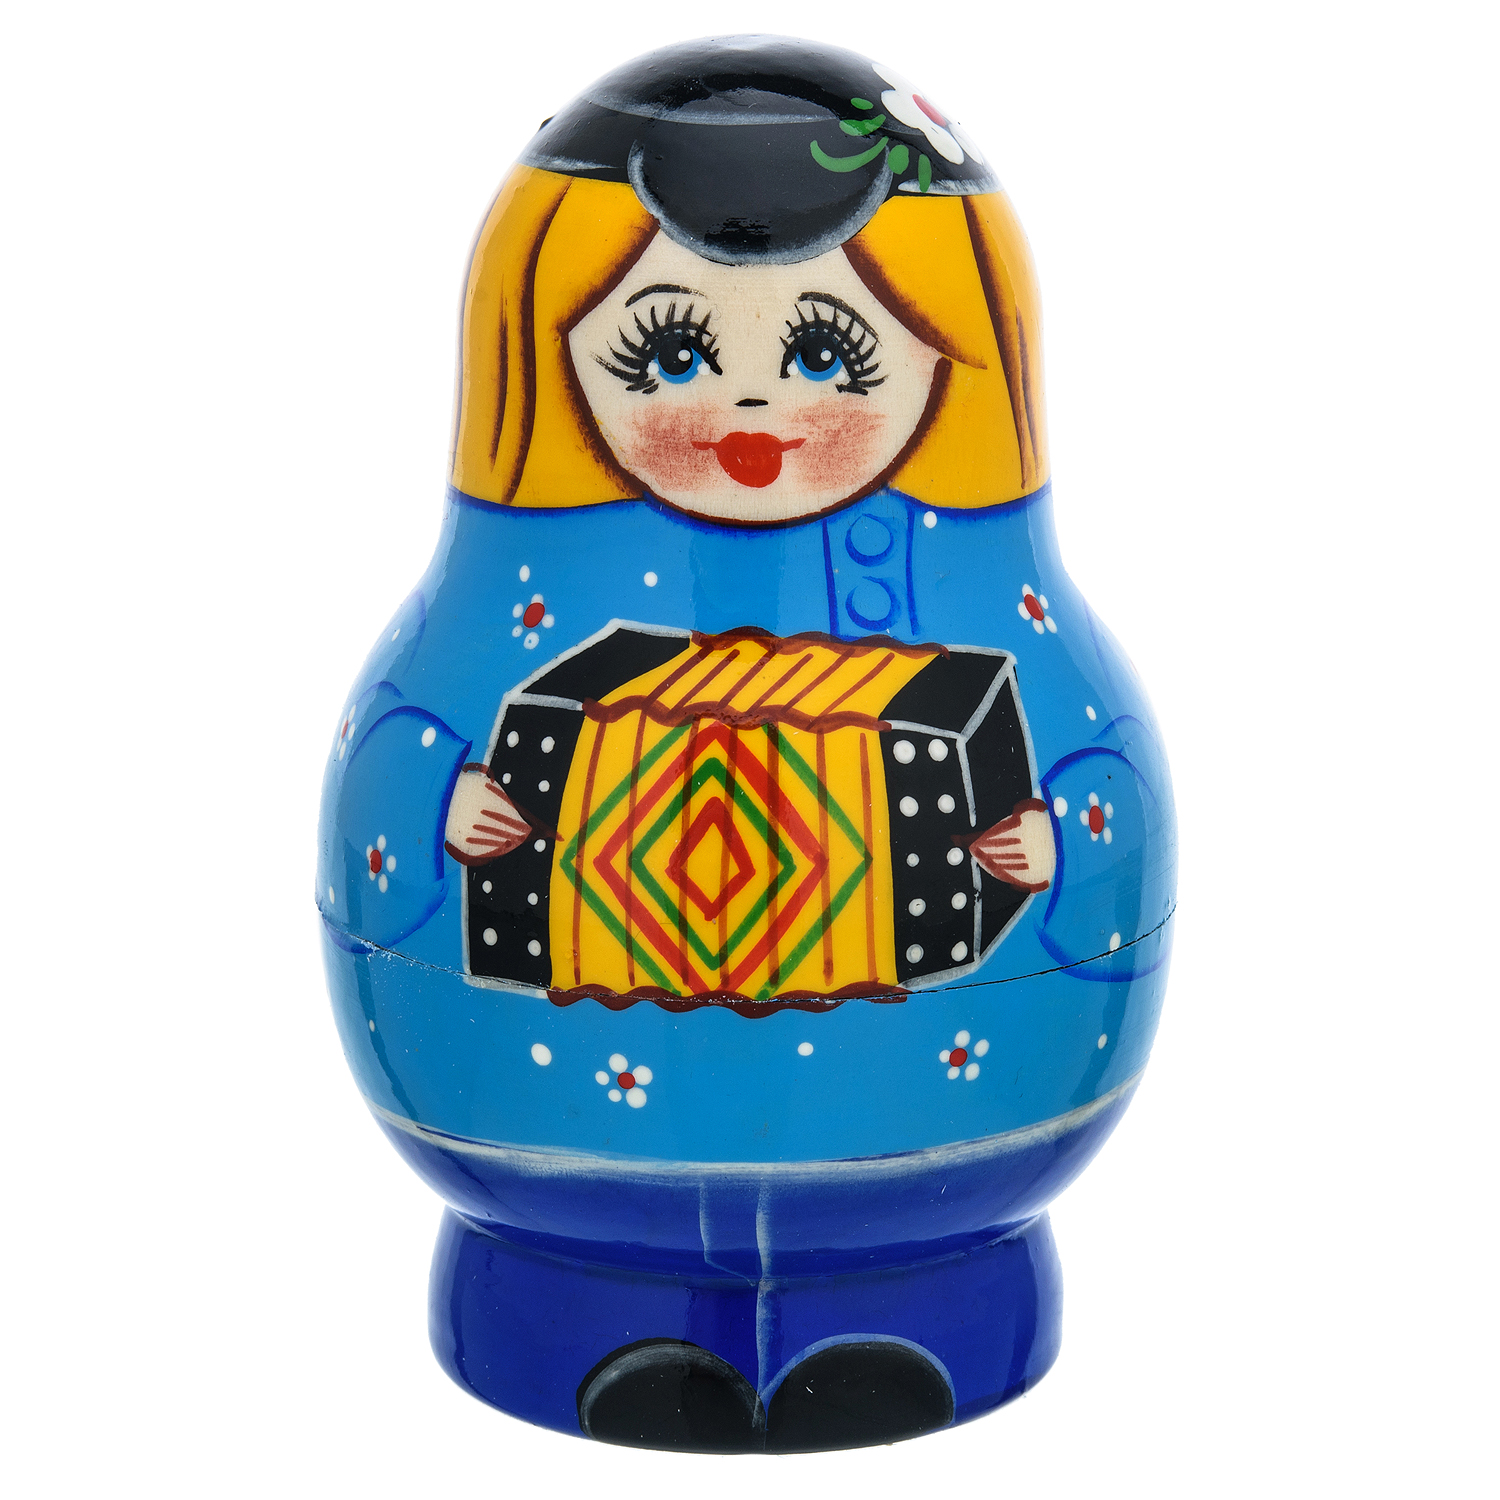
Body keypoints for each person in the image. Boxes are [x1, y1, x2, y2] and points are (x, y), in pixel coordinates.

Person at [317, 36, 1176, 1451]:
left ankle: (897, 1325)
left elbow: (1095, 802)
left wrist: (1047, 851)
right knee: (574, 1272)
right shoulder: (507, 628)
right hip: (550, 1207)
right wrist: (446, 808)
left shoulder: (991, 635)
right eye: (669, 351)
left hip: (954, 1214)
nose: (756, 406)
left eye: (832, 352)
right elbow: (408, 766)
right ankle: (599, 1329)